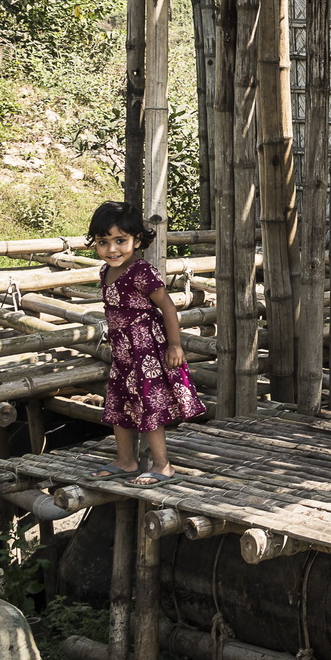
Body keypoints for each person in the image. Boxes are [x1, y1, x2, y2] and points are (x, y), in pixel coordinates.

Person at [83, 200, 203, 484]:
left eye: (120, 241)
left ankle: (162, 465)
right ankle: (126, 461)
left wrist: (175, 345)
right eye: (103, 242)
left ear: (137, 240)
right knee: (119, 403)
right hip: (123, 353)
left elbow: (168, 307)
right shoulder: (105, 272)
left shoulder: (141, 272)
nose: (111, 249)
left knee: (149, 405)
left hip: (146, 349)